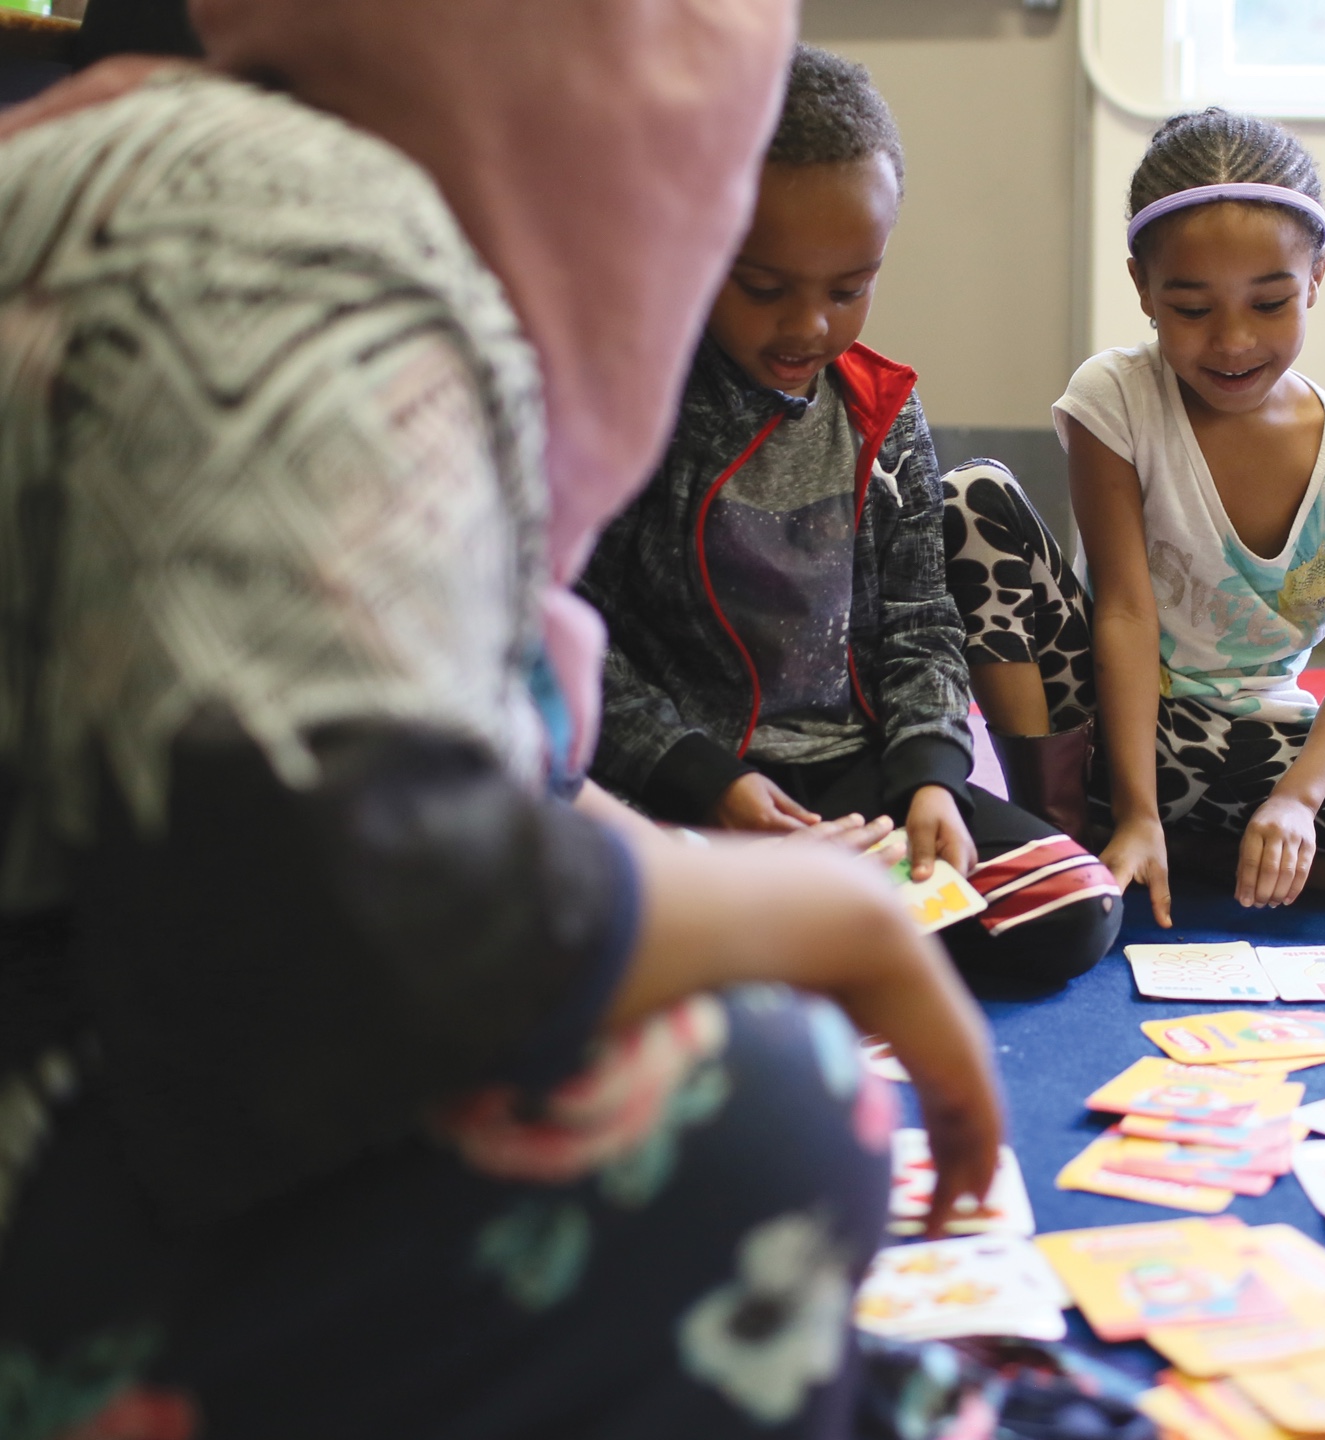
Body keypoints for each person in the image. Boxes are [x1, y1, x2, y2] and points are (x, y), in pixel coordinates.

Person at [0, 6, 1005, 1437]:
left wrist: (733, 878)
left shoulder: (251, 175)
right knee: (771, 1109)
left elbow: (480, 750)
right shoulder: (291, 238)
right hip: (71, 1148)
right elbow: (318, 882)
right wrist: (793, 917)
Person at [579, 45, 1121, 989]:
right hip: (696, 791)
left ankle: (780, 934)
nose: (808, 329)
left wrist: (929, 778)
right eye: (764, 287)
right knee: (578, 895)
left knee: (1075, 905)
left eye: (848, 289)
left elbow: (921, 620)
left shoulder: (880, 410)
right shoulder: (635, 411)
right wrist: (716, 784)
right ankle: (785, 922)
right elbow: (586, 651)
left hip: (861, 785)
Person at [945, 107, 1325, 929]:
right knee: (971, 496)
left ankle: (1215, 853)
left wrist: (1299, 804)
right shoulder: (1116, 395)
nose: (1233, 342)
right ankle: (1070, 832)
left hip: (1262, 751)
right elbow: (1125, 608)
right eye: (1192, 309)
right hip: (1106, 725)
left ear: (1315, 278)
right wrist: (1136, 807)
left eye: (1269, 303)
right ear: (1144, 289)